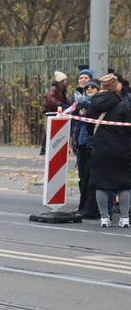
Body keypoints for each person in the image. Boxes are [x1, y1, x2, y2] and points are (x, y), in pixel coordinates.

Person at [88, 74, 131, 228]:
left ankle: (104, 218)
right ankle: (124, 219)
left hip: (100, 149)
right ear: (115, 86)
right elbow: (128, 130)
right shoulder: (123, 106)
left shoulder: (94, 104)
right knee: (124, 184)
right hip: (121, 149)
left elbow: (89, 126)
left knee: (101, 184)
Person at [71, 75, 99, 218]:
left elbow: (94, 114)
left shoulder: (96, 103)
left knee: (90, 178)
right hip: (82, 143)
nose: (89, 89)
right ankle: (83, 207)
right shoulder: (82, 102)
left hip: (91, 145)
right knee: (83, 178)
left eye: (93, 86)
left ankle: (90, 209)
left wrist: (84, 104)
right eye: (87, 87)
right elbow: (75, 121)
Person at [42, 71, 69, 154]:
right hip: (52, 111)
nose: (66, 81)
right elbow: (51, 100)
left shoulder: (61, 89)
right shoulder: (54, 88)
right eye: (65, 80)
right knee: (51, 129)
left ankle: (50, 147)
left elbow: (64, 100)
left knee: (56, 128)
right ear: (61, 80)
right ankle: (44, 148)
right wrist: (61, 104)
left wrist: (67, 105)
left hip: (57, 110)